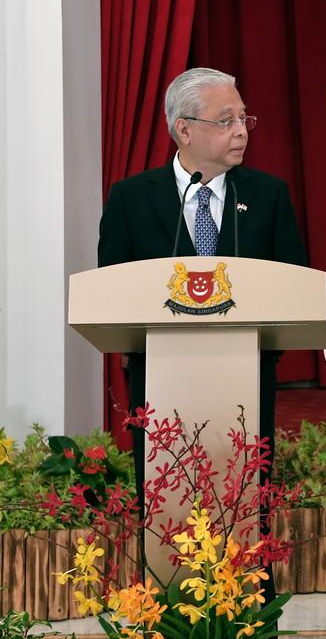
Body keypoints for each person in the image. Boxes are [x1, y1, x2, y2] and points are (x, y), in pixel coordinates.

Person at [98, 66, 306, 591]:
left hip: (246, 382)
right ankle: (162, 599)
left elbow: (294, 284)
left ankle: (247, 601)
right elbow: (111, 291)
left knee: (242, 495)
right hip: (158, 382)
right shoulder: (130, 198)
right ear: (183, 129)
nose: (241, 131)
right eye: (226, 120)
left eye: (244, 119)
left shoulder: (267, 194)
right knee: (166, 499)